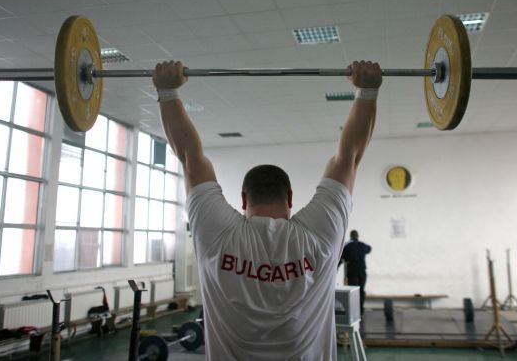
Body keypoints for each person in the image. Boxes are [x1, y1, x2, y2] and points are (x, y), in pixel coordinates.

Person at [153, 60, 381, 360]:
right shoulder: (318, 237)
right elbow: (348, 158)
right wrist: (368, 91)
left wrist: (167, 91)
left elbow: (189, 158)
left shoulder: (219, 236)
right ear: (290, 197)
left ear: (244, 200)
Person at [340, 230, 372, 316]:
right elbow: (369, 248)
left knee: (353, 292)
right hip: (362, 272)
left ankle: (354, 311)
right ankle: (361, 310)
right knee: (361, 291)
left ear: (350, 236)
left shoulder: (346, 246)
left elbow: (340, 258)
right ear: (358, 236)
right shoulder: (362, 245)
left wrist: (336, 268)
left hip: (351, 272)